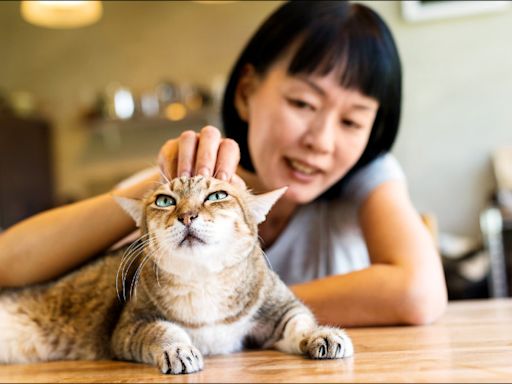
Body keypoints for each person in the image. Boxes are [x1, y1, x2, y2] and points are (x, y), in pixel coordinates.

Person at [0, 1, 447, 327]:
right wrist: (152, 192)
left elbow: (418, 294)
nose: (322, 141)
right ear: (246, 92)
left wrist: (228, 312)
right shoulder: (185, 184)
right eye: (303, 102)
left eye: (352, 120)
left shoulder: (367, 178)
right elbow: (9, 263)